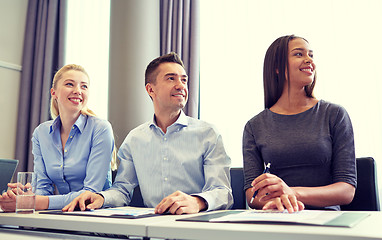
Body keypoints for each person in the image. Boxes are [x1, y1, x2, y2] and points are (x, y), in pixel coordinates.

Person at [63, 52, 233, 214]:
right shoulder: (135, 139)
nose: (181, 85)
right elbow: (122, 190)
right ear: (151, 90)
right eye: (171, 78)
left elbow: (223, 192)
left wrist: (197, 202)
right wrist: (101, 197)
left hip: (196, 227)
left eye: (184, 80)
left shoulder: (208, 134)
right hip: (151, 229)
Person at [243, 35, 356, 213]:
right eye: (299, 54)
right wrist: (275, 200)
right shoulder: (254, 126)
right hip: (278, 218)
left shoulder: (334, 115)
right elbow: (252, 195)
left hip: (325, 220)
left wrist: (291, 193)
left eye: (311, 55)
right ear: (277, 67)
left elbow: (347, 190)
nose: (309, 60)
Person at [0, 64, 116, 211]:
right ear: (53, 92)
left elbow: (89, 194)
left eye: (84, 86)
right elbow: (43, 189)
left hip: (96, 219)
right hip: (61, 215)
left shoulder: (100, 129)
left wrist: (35, 202)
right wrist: (26, 196)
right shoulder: (41, 133)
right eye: (69, 84)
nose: (78, 91)